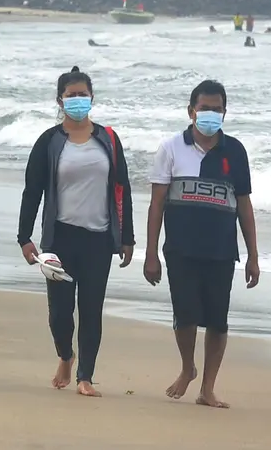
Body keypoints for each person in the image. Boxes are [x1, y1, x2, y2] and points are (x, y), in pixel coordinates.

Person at [18, 66, 135, 398]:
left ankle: (86, 376)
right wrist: (25, 238)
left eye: (83, 94)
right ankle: (65, 356)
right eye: (72, 95)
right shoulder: (50, 142)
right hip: (60, 238)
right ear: (60, 100)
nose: (78, 100)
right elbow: (32, 190)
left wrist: (127, 236)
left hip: (98, 238)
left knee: (91, 307)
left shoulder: (108, 140)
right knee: (59, 313)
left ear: (92, 98)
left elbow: (122, 189)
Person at [144, 80, 258, 409]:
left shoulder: (234, 151)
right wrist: (150, 253)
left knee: (218, 321)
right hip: (180, 249)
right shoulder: (170, 149)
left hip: (221, 250)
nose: (210, 114)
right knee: (185, 315)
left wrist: (253, 256)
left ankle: (207, 388)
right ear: (191, 110)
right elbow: (157, 204)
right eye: (204, 108)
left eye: (217, 109)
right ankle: (187, 368)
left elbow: (244, 206)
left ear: (225, 112)